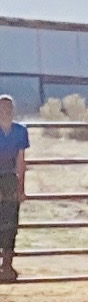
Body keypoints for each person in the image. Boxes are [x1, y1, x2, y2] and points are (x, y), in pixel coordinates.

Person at [0, 95, 28, 284]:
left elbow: (20, 161)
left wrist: (20, 187)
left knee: (10, 223)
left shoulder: (20, 131)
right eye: (2, 107)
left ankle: (7, 265)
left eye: (9, 107)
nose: (6, 111)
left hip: (10, 178)